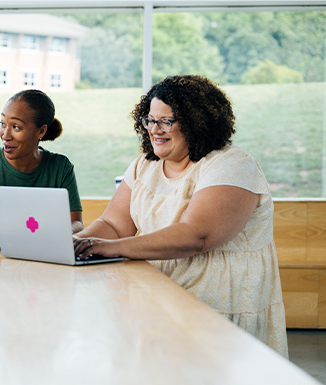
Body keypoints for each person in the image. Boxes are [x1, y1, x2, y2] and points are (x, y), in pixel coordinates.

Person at [73, 75, 288, 357]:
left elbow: (196, 235)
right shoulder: (144, 165)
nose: (154, 130)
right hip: (158, 301)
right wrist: (73, 243)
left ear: (197, 122)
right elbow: (114, 224)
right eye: (149, 120)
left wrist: (105, 248)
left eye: (166, 121)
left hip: (218, 313)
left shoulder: (232, 165)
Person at [0, 89, 83, 240]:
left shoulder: (61, 167)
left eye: (16, 127)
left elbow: (76, 223)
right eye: (3, 124)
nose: (5, 135)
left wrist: (60, 231)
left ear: (41, 131)